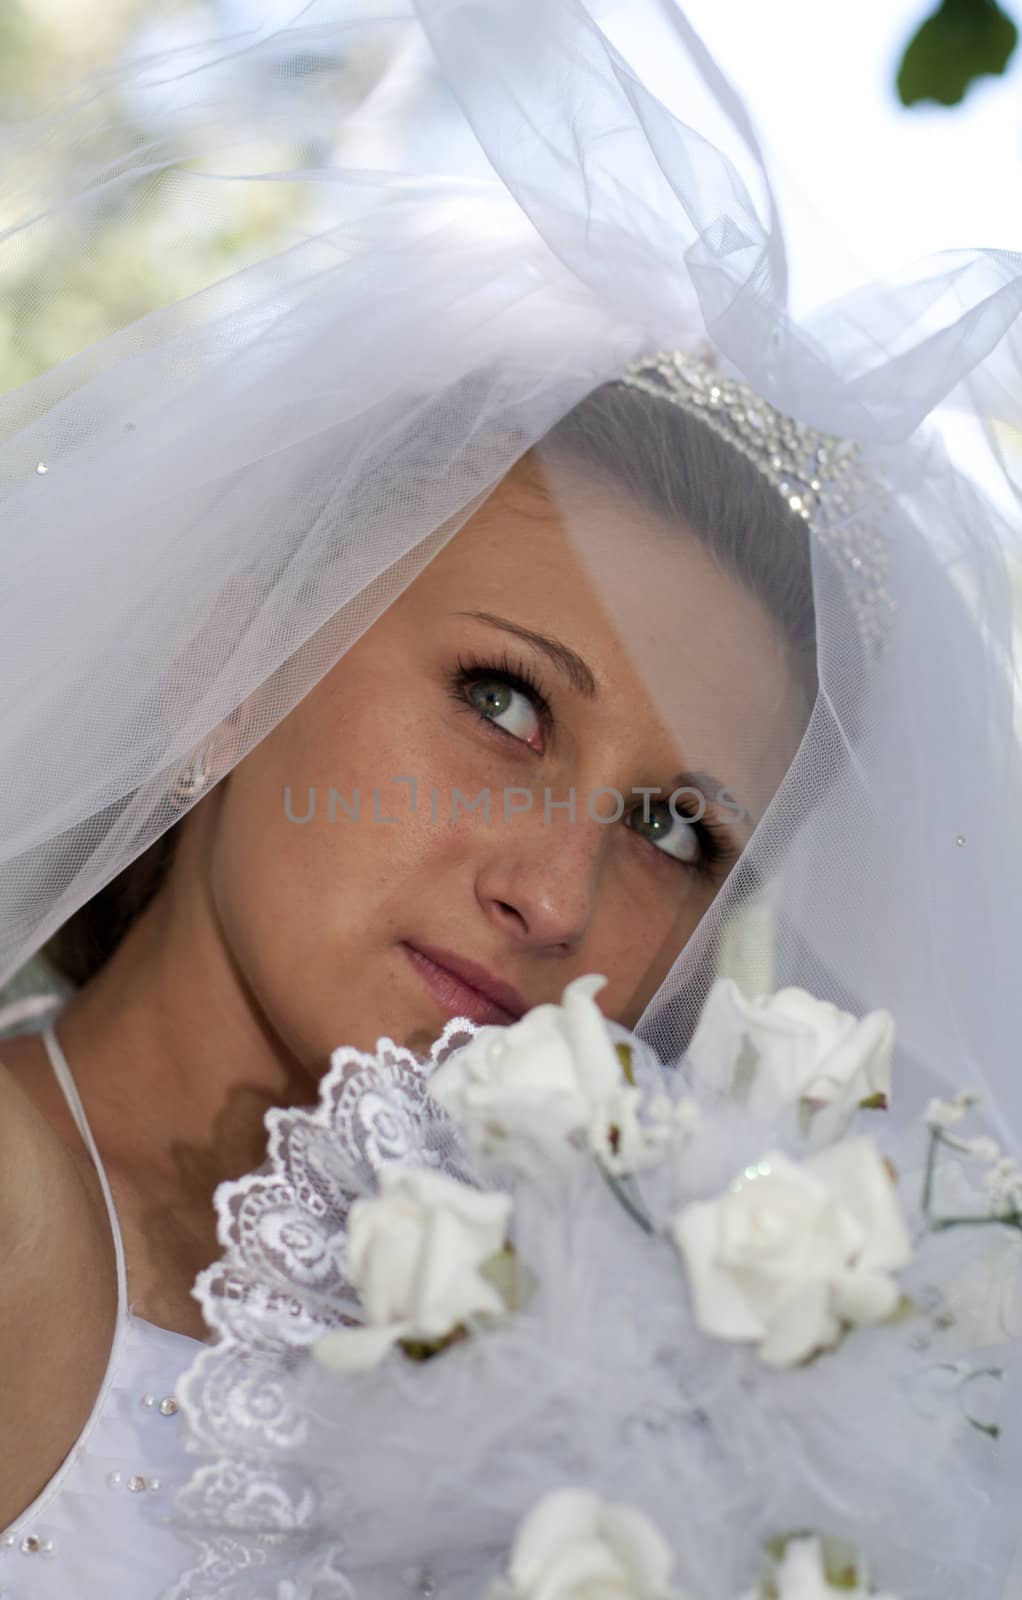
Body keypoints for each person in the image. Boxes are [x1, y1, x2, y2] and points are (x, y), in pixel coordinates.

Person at [1, 1, 1021, 1595]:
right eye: (504, 701)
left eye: (676, 831)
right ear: (231, 663)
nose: (556, 897)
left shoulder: (695, 1411)